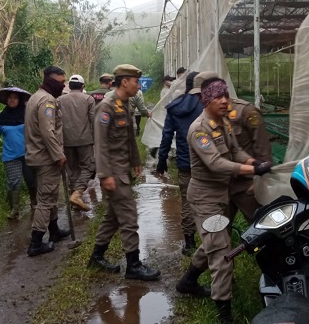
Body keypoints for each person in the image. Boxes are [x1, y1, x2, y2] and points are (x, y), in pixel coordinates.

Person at [175, 74, 272, 324]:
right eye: (218, 96)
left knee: (213, 244)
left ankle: (188, 281)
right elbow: (216, 163)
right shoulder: (199, 130)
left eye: (226, 95)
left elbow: (236, 150)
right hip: (206, 198)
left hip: (221, 195)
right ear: (206, 100)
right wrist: (253, 171)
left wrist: (253, 161)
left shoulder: (223, 122)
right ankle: (224, 316)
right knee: (222, 256)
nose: (224, 100)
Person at [87, 64, 160, 281]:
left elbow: (129, 137)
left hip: (122, 169)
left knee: (112, 217)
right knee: (128, 217)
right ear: (125, 81)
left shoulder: (124, 104)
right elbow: (99, 144)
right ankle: (134, 265)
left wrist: (136, 161)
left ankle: (96, 257)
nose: (138, 85)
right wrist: (104, 175)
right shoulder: (107, 106)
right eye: (136, 81)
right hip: (113, 173)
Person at [24, 65, 70, 256]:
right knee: (46, 199)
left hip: (36, 155)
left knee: (49, 196)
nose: (63, 85)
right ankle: (36, 242)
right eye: (61, 82)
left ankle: (54, 231)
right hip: (46, 158)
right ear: (51, 81)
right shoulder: (47, 101)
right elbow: (47, 131)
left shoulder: (35, 97)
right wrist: (58, 155)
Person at [156, 71, 202, 255]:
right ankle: (213, 239)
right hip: (209, 163)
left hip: (186, 162)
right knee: (212, 200)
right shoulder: (208, 105)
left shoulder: (176, 107)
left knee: (187, 201)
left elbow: (167, 136)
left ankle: (190, 243)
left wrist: (162, 160)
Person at [0, 87, 37, 220]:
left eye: (15, 98)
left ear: (20, 100)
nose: (12, 100)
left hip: (28, 153)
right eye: (9, 98)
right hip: (11, 156)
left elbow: (36, 131)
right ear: (6, 100)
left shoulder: (27, 115)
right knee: (13, 182)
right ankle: (14, 209)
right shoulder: (1, 118)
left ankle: (34, 202)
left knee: (31, 180)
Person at [57, 74, 96, 212]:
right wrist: (96, 139)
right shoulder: (88, 99)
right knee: (88, 167)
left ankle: (74, 199)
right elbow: (93, 120)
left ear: (69, 86)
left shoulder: (59, 100)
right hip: (84, 140)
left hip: (66, 141)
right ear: (82, 86)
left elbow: (57, 122)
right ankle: (78, 193)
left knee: (72, 169)